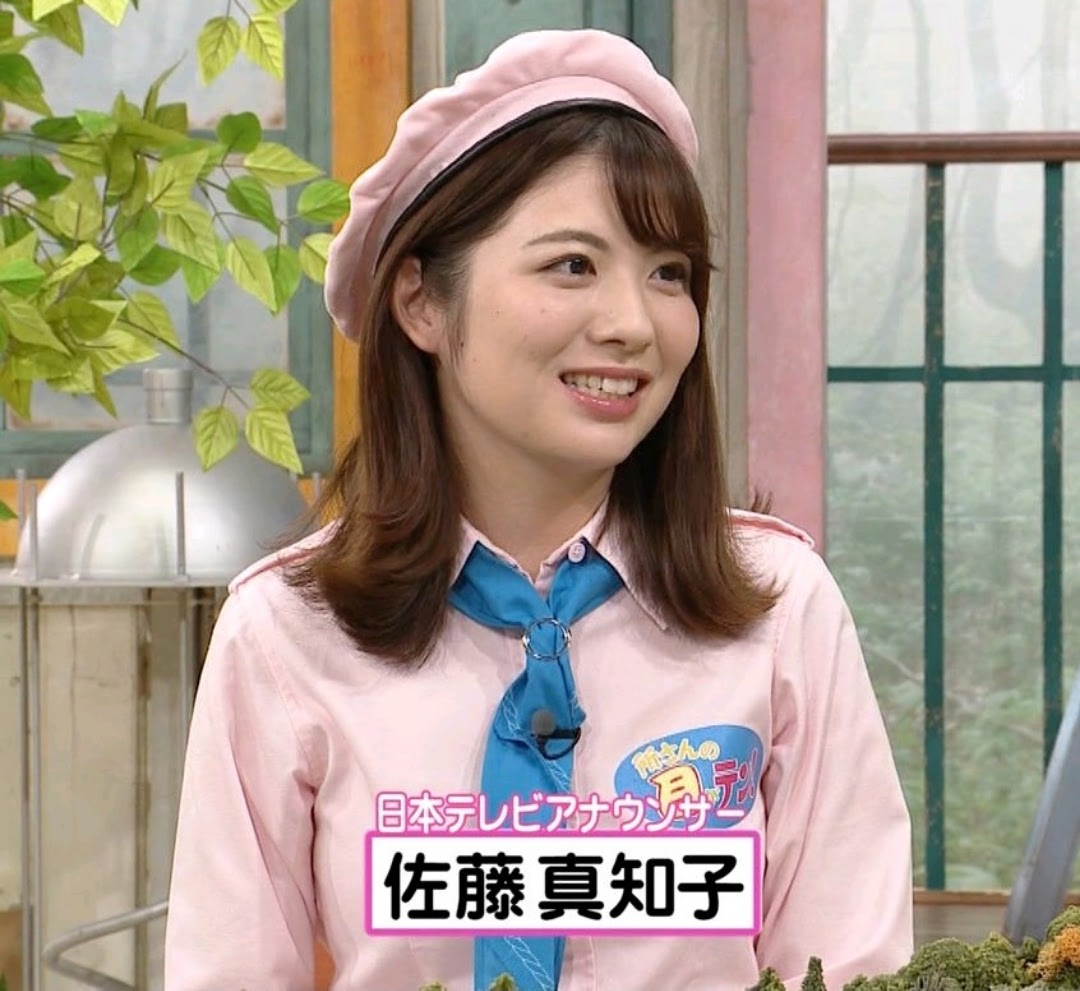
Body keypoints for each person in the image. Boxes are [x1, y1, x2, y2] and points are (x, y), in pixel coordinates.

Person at [163, 28, 913, 991]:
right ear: (422, 303)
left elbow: (849, 965)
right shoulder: (285, 632)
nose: (633, 323)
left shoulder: (780, 607)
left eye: (669, 273)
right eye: (572, 265)